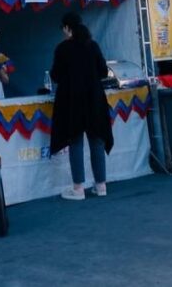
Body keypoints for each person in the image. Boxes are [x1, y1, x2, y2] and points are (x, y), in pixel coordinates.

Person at [50, 12, 114, 200]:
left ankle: (78, 188)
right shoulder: (92, 45)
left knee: (75, 140)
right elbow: (103, 71)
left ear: (67, 28)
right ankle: (101, 185)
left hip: (72, 101)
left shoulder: (62, 49)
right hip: (94, 99)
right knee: (97, 139)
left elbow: (55, 75)